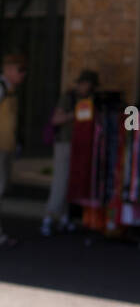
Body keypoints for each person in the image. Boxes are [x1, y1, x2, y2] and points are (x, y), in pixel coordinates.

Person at [41, 68, 98, 236]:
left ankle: (64, 217)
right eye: (86, 84)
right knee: (61, 180)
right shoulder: (69, 97)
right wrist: (75, 114)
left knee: (70, 181)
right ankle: (48, 217)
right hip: (65, 142)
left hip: (81, 144)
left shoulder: (91, 99)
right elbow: (56, 120)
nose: (87, 87)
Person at [0, 51, 28, 251]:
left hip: (6, 147)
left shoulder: (10, 90)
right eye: (21, 70)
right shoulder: (1, 88)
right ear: (8, 69)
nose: (23, 74)